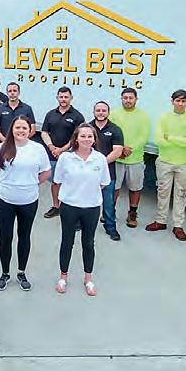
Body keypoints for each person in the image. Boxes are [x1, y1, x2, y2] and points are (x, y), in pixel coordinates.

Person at [0, 115, 51, 292]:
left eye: (24, 127)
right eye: (17, 127)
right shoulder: (0, 148)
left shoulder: (37, 149)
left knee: (24, 236)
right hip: (5, 200)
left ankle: (21, 272)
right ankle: (5, 273)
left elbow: (46, 172)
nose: (21, 131)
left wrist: (31, 183)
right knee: (5, 237)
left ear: (30, 130)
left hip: (29, 200)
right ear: (12, 129)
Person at [54, 123, 111, 296]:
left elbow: (104, 183)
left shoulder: (100, 159)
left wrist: (88, 193)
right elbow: (58, 181)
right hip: (69, 206)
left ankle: (88, 278)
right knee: (67, 241)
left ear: (94, 139)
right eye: (83, 136)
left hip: (91, 207)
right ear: (76, 138)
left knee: (88, 243)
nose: (86, 139)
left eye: (90, 136)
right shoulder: (65, 158)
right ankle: (63, 277)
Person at [147, 89, 186, 240]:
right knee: (163, 192)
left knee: (180, 194)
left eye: (183, 101)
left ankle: (178, 225)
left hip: (184, 162)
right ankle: (160, 221)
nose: (180, 104)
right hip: (165, 161)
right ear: (172, 101)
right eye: (178, 100)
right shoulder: (164, 118)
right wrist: (182, 138)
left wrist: (170, 137)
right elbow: (160, 140)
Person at [40, 86, 86, 219]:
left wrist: (62, 150)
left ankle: (70, 207)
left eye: (66, 97)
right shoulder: (50, 114)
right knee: (55, 182)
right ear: (57, 98)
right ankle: (56, 207)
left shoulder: (77, 116)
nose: (63, 99)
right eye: (61, 97)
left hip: (71, 155)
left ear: (71, 98)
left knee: (72, 182)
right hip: (52, 155)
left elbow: (77, 137)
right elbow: (44, 132)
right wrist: (51, 147)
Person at [110, 87, 151, 229]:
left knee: (135, 188)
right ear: (121, 99)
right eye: (125, 98)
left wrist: (129, 149)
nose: (128, 100)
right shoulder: (114, 114)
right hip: (117, 158)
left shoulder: (143, 116)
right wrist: (120, 149)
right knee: (114, 187)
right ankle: (110, 212)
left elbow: (144, 137)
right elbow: (111, 133)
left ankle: (132, 213)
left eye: (131, 98)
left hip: (136, 159)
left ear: (136, 99)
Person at [90, 100, 124, 241]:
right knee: (85, 198)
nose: (101, 113)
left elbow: (117, 151)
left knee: (108, 202)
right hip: (88, 172)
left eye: (104, 110)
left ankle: (111, 227)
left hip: (108, 172)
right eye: (98, 110)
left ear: (108, 113)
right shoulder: (87, 128)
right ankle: (80, 223)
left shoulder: (115, 129)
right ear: (94, 112)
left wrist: (101, 163)